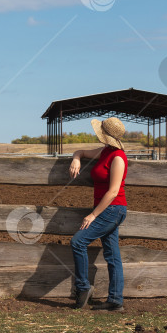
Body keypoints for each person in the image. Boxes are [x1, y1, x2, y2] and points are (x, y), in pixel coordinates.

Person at [69, 117, 128, 311]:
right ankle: (115, 300)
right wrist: (76, 158)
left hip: (112, 210)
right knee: (112, 254)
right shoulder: (105, 151)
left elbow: (112, 192)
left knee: (78, 241)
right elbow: (82, 151)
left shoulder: (118, 157)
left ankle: (83, 288)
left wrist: (93, 215)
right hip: (108, 210)